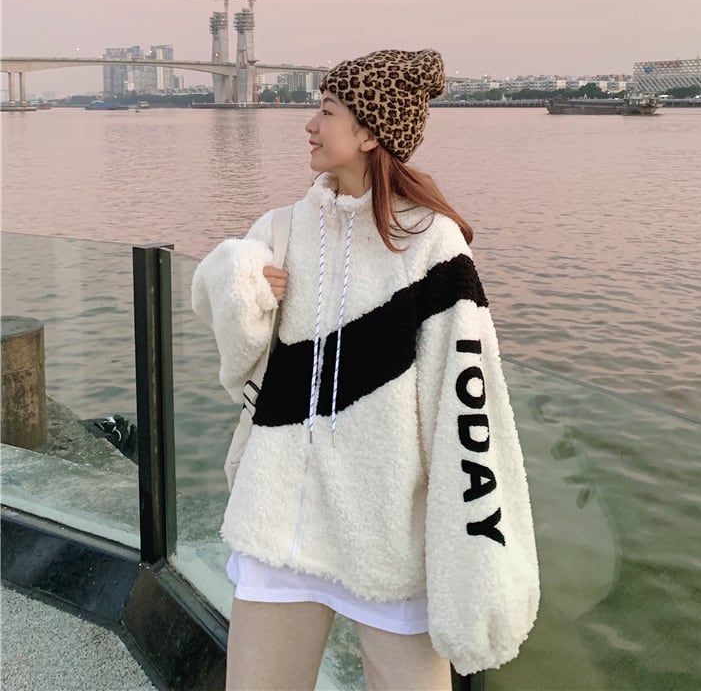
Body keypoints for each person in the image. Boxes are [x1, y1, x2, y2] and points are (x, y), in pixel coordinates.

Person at [191, 48, 540, 691]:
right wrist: (241, 280)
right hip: (279, 521)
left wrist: (472, 550)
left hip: (387, 533)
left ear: (371, 132)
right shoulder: (282, 228)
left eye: (326, 111)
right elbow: (232, 347)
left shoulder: (433, 244)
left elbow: (466, 402)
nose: (310, 125)